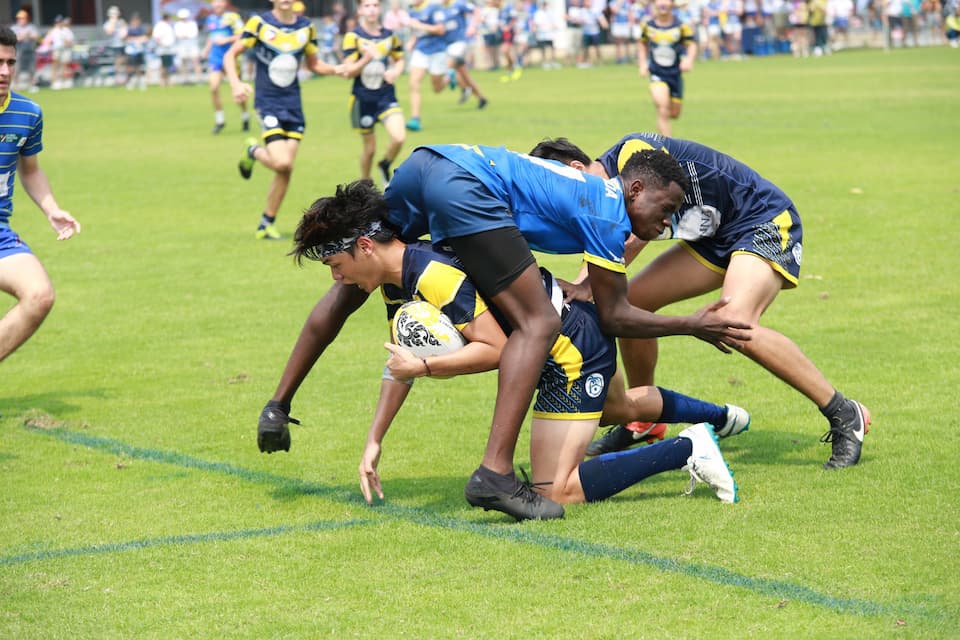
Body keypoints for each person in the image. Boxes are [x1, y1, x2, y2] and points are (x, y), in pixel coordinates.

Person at [256, 143, 752, 521]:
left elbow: (603, 311)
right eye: (665, 211)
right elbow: (617, 314)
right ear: (636, 190)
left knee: (609, 399)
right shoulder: (607, 209)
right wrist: (694, 324)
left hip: (427, 164)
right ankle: (494, 471)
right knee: (538, 322)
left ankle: (716, 422)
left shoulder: (412, 268)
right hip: (462, 183)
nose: (665, 225)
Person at [528, 134, 872, 470]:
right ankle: (644, 420)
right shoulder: (604, 195)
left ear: (577, 168)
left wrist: (585, 284)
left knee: (734, 321)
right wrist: (585, 285)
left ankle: (843, 412)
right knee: (630, 305)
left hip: (761, 219)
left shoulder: (633, 153)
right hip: (711, 236)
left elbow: (628, 235)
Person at [224, 0, 346, 241]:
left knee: (286, 168)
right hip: (268, 102)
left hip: (294, 105)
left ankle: (266, 224)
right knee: (282, 163)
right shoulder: (259, 24)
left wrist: (335, 69)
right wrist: (236, 84)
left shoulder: (306, 27)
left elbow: (314, 64)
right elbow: (230, 55)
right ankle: (253, 151)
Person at [0, 26, 81, 363]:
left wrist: (51, 209)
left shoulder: (28, 113)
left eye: (10, 62)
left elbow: (30, 170)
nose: (4, 71)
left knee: (39, 295)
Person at [341, 0, 407, 186]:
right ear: (360, 9)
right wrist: (366, 58)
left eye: (375, 5)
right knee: (369, 150)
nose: (372, 10)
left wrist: (396, 71)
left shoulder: (389, 36)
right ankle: (365, 186)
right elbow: (348, 72)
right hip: (363, 100)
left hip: (386, 96)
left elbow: (400, 59)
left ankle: (384, 164)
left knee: (399, 137)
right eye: (367, 6)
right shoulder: (353, 37)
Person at [637, 0, 697, 137]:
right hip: (656, 73)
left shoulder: (681, 26)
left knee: (674, 113)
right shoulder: (648, 26)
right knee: (662, 109)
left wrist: (688, 59)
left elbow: (691, 44)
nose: (662, 3)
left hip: (675, 74)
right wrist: (642, 63)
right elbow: (642, 44)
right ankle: (668, 146)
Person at [202, 0, 251, 134]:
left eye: (220, 2)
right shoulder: (210, 19)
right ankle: (220, 120)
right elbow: (212, 37)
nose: (217, 5)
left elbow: (243, 35)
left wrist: (227, 40)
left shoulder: (233, 17)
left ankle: (245, 116)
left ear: (225, 4)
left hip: (231, 58)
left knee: (237, 91)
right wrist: (206, 49)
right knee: (213, 87)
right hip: (216, 58)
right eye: (215, 2)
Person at [404, 0, 449, 131]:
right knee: (414, 83)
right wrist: (412, 41)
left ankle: (448, 77)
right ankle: (415, 119)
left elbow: (441, 30)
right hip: (421, 50)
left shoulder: (434, 8)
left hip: (437, 51)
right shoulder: (412, 10)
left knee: (437, 88)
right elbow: (416, 32)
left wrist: (420, 25)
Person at [444, 0, 490, 107]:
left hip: (459, 43)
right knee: (464, 75)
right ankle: (481, 98)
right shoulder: (440, 7)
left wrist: (472, 26)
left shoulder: (459, 3)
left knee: (446, 66)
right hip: (447, 45)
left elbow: (477, 11)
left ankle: (463, 88)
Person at [11, 10, 39, 93]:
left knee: (32, 68)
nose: (21, 20)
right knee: (17, 68)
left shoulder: (31, 27)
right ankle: (15, 85)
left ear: (26, 19)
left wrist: (25, 36)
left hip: (30, 50)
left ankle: (32, 85)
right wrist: (25, 35)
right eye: (19, 18)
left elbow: (35, 36)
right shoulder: (14, 28)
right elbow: (16, 39)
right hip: (19, 51)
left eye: (23, 18)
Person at [175, 9, 202, 84]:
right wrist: (184, 35)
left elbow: (194, 33)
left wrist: (186, 35)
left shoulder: (192, 23)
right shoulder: (178, 24)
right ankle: (185, 79)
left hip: (192, 44)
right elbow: (178, 34)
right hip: (182, 45)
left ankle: (199, 79)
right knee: (184, 62)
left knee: (196, 61)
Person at [102, 5, 128, 86]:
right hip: (114, 45)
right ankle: (117, 79)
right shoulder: (107, 23)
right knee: (117, 62)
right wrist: (113, 22)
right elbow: (109, 32)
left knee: (124, 62)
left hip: (122, 44)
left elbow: (126, 32)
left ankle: (124, 78)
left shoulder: (122, 22)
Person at [123, 13, 149, 91]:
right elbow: (126, 38)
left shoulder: (141, 29)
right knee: (130, 67)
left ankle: (141, 82)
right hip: (131, 52)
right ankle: (130, 82)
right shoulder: (129, 29)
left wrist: (135, 39)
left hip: (139, 51)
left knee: (139, 67)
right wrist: (136, 39)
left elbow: (145, 38)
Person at [151, 12, 177, 88]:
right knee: (163, 65)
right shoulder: (159, 26)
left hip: (170, 48)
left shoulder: (169, 26)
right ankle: (162, 82)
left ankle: (168, 81)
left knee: (169, 65)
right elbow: (156, 37)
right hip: (162, 48)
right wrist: (162, 44)